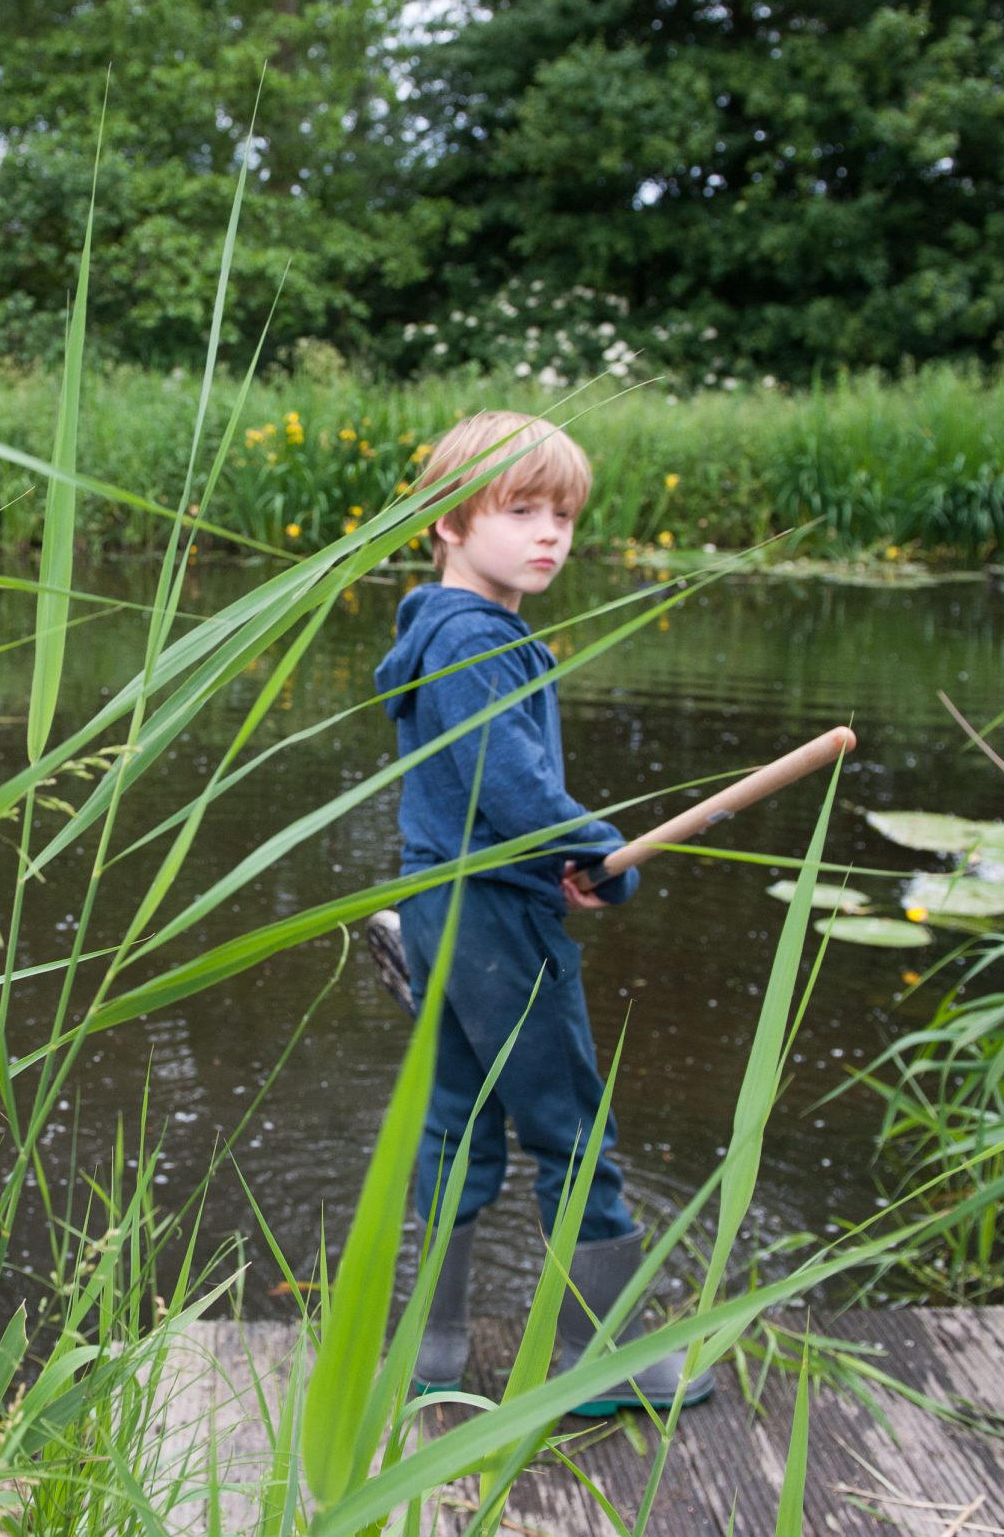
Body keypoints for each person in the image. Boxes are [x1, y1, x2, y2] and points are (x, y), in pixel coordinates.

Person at [361, 408, 713, 1416]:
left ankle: (430, 1348)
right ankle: (605, 1362)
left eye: (561, 513)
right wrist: (597, 851)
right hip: (496, 927)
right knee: (572, 1131)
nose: (549, 533)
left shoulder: (440, 625)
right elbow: (512, 786)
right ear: (448, 520)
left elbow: (474, 799)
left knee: (456, 1124)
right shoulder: (474, 637)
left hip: (444, 900)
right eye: (520, 510)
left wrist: (547, 856)